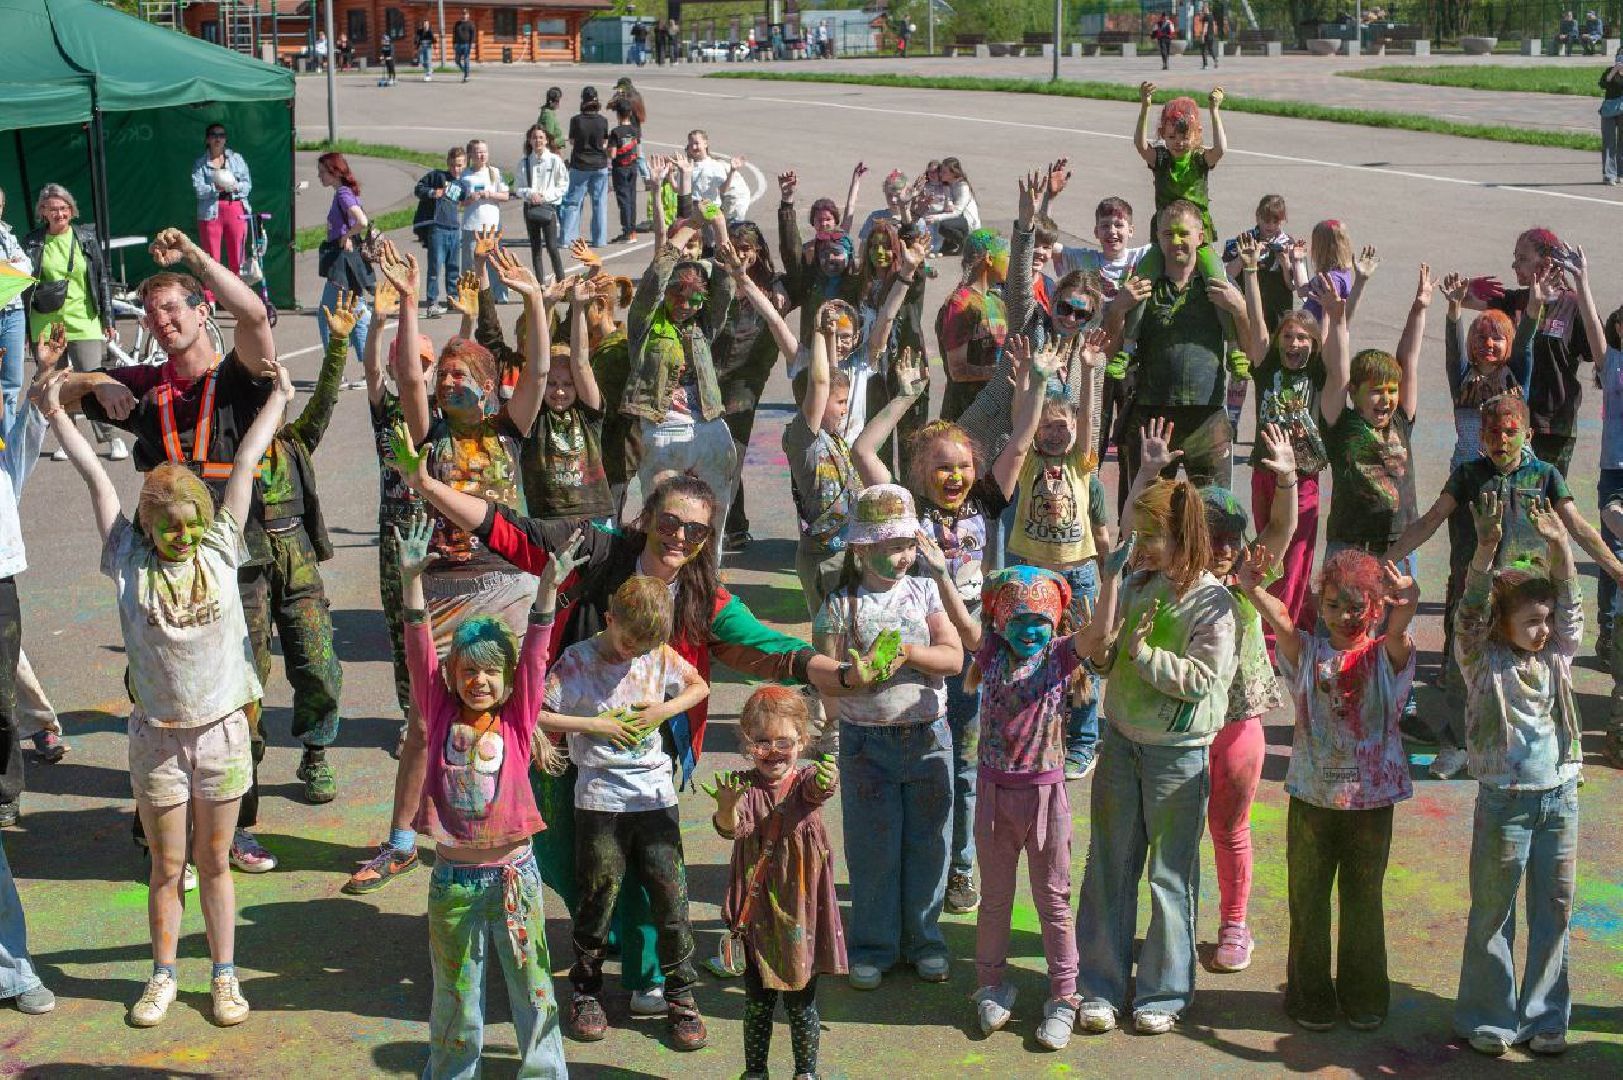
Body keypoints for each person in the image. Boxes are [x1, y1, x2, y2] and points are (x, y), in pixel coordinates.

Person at [43, 337, 294, 1028]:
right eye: (167, 526)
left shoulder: (219, 547)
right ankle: (161, 978)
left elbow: (244, 463)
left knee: (215, 864)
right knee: (165, 865)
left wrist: (277, 397)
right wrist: (56, 410)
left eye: (189, 524)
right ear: (148, 523)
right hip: (156, 737)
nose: (180, 536)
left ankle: (223, 976)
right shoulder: (126, 554)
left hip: (219, 733)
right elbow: (97, 478)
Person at [62, 228, 289, 867]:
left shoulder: (239, 379)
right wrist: (91, 383)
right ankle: (159, 829)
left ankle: (233, 825)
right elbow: (50, 396)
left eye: (172, 309)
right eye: (151, 313)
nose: (161, 323)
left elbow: (253, 314)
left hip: (230, 561)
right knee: (154, 694)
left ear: (200, 311)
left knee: (240, 696)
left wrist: (194, 257)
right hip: (158, 568)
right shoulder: (143, 387)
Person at [853, 342, 1046, 920]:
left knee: (961, 761)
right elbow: (864, 449)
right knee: (908, 753)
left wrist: (1035, 382)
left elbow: (1020, 441)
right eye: (943, 465)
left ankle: (958, 867)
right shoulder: (905, 506)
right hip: (919, 640)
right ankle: (913, 862)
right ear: (919, 472)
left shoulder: (986, 501)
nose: (956, 474)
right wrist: (907, 396)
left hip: (974, 641)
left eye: (962, 464)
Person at [398, 508, 578, 1076]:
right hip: (452, 881)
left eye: (491, 672)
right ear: (454, 679)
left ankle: (545, 1072)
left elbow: (534, 654)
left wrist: (547, 588)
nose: (480, 681)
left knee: (533, 990)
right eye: (468, 672)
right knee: (454, 996)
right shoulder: (439, 707)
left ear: (505, 679)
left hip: (514, 880)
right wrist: (411, 584)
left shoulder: (519, 719)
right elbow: (421, 654)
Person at [1073, 470, 1237, 1038]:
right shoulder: (1135, 584)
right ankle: (1099, 986)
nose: (1137, 546)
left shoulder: (1213, 603)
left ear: (1183, 538)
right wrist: (1103, 626)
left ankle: (1163, 992)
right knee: (1109, 867)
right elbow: (1102, 657)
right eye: (1134, 534)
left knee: (1171, 878)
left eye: (1149, 536)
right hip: (1121, 743)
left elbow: (1201, 679)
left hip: (1178, 758)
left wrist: (1141, 656)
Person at [1244, 543, 1416, 1033]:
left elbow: (1401, 629)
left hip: (1371, 804)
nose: (1344, 616)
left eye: (1356, 606)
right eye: (1334, 605)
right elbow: (1280, 619)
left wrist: (1408, 598)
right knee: (1309, 901)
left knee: (1364, 902)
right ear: (1320, 606)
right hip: (1313, 801)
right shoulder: (1310, 653)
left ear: (1376, 608)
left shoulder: (1388, 655)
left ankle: (1365, 999)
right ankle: (1309, 997)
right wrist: (1253, 585)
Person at [965, 559, 1125, 1051]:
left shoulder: (1059, 657)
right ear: (1000, 622)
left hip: (1044, 796)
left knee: (1053, 900)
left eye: (1039, 620)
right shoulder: (991, 651)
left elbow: (1098, 634)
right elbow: (963, 623)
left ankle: (1064, 996)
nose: (1029, 629)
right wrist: (935, 570)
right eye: (1018, 620)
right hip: (993, 795)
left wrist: (1110, 578)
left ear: (1054, 622)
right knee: (994, 900)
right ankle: (990, 985)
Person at [548, 575, 712, 1050]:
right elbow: (537, 712)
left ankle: (681, 994)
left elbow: (697, 686)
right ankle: (585, 990)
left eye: (644, 645)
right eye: (626, 641)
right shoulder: (578, 661)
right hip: (600, 797)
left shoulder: (655, 655)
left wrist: (662, 712)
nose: (631, 653)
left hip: (655, 796)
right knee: (598, 894)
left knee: (671, 894)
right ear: (610, 619)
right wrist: (594, 724)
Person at [812, 484, 964, 990]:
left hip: (926, 737)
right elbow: (825, 674)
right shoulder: (840, 605)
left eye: (907, 545)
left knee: (929, 844)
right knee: (874, 849)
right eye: (890, 546)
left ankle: (924, 940)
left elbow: (954, 657)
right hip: (865, 741)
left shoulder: (924, 592)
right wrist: (833, 721)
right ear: (860, 548)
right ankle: (874, 945)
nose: (902, 557)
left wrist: (908, 655)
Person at [1451, 494, 1580, 1058]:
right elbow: (1469, 614)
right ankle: (1489, 1016)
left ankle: (1545, 1017)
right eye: (1532, 621)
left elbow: (1573, 608)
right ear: (1502, 626)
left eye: (1547, 619)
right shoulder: (1483, 660)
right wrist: (1482, 552)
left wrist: (1562, 551)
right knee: (1493, 912)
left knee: (1553, 911)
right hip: (1506, 801)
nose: (1545, 629)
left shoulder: (1556, 657)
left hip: (1560, 798)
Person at [1198, 430, 1299, 977]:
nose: (1218, 550)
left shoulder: (1246, 579)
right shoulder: (1175, 579)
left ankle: (1235, 923)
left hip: (1238, 723)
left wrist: (1285, 478)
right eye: (1206, 538)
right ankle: (1175, 922)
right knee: (1175, 832)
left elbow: (1283, 528)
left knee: (1230, 828)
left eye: (1227, 540)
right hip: (1183, 727)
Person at [706, 686, 846, 1078]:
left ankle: (806, 1072)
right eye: (762, 742)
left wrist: (828, 772)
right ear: (747, 744)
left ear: (802, 742)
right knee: (757, 1003)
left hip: (802, 907)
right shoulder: (743, 786)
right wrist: (725, 807)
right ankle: (755, 1072)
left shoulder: (803, 781)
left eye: (784, 741)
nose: (773, 751)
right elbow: (733, 829)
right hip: (758, 911)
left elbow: (819, 791)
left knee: (802, 1004)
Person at [622, 216, 739, 529]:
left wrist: (720, 227)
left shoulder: (702, 326)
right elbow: (654, 278)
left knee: (714, 514)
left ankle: (708, 574)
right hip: (662, 428)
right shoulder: (646, 323)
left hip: (707, 424)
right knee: (663, 515)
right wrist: (696, 223)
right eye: (678, 296)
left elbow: (726, 286)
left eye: (695, 299)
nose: (686, 305)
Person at [23, 183, 127, 463]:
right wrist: (22, 327)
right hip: (45, 322)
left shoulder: (85, 239)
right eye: (53, 208)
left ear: (71, 210)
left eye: (64, 208)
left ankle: (111, 436)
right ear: (42, 211)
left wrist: (108, 317)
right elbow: (22, 286)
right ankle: (69, 438)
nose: (59, 213)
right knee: (55, 383)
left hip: (85, 319)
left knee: (92, 378)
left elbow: (102, 278)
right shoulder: (32, 242)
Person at [314, 152, 373, 366]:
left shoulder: (342, 194)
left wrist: (346, 236)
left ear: (334, 172)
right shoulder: (343, 192)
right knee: (355, 314)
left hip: (343, 262)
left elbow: (362, 221)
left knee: (327, 315)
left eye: (322, 172)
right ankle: (368, 367)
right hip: (348, 261)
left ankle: (336, 367)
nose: (319, 176)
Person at [192, 124, 253, 290]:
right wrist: (215, 188)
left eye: (221, 135)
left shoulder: (236, 159)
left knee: (238, 256)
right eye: (213, 135)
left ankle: (239, 296)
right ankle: (210, 298)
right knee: (211, 259)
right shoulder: (200, 164)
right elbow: (199, 190)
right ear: (207, 140)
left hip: (234, 207)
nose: (218, 139)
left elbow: (247, 185)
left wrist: (235, 186)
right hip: (211, 212)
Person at [411, 145, 467, 318]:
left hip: (454, 228)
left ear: (464, 164)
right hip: (438, 228)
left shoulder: (462, 184)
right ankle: (432, 302)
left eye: (459, 165)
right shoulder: (437, 176)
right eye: (452, 165)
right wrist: (433, 192)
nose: (455, 169)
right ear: (448, 163)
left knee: (453, 267)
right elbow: (418, 189)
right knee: (435, 266)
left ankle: (453, 299)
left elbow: (463, 200)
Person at [458, 139, 509, 306]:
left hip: (492, 225)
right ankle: (469, 296)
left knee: (495, 261)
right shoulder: (464, 175)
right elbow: (458, 201)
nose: (482, 155)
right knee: (470, 263)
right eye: (478, 152)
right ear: (471, 155)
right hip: (472, 225)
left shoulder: (494, 172)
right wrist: (469, 199)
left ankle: (499, 294)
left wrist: (490, 194)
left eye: (484, 152)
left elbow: (505, 195)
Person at [515, 125, 568, 285]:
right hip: (530, 207)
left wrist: (545, 196)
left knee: (552, 247)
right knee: (535, 247)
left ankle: (562, 283)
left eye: (540, 137)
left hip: (548, 207)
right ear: (529, 141)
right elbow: (518, 187)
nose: (537, 140)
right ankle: (539, 284)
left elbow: (563, 184)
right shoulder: (524, 163)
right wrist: (530, 194)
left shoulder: (554, 160)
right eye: (534, 137)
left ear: (546, 140)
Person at [562, 87, 612, 249]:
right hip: (599, 164)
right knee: (599, 203)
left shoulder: (576, 120)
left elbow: (572, 142)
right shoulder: (603, 121)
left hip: (580, 164)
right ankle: (600, 239)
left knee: (573, 203)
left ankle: (567, 238)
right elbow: (604, 143)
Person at [0, 187, 33, 427]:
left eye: (0, 206)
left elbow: (26, 268)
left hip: (13, 313)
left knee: (12, 384)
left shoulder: (6, 233)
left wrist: (7, 268)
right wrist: (7, 266)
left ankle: (7, 444)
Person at [685, 130, 752, 223]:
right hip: (696, 208)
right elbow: (679, 189)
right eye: (690, 144)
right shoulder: (688, 166)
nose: (693, 147)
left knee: (724, 229)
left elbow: (723, 190)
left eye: (696, 143)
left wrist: (732, 171)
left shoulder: (715, 165)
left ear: (705, 144)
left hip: (714, 207)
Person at [921, 157, 979, 256]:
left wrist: (936, 217)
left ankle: (966, 243)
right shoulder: (949, 184)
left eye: (944, 172)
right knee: (940, 222)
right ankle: (949, 243)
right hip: (956, 218)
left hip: (968, 221)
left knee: (944, 225)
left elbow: (958, 212)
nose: (940, 174)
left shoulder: (962, 186)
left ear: (953, 173)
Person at [609, 102, 642, 245]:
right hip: (633, 166)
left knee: (623, 200)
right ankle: (632, 229)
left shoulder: (616, 132)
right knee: (632, 198)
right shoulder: (635, 130)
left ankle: (627, 231)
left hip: (621, 168)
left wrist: (605, 148)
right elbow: (638, 149)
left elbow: (612, 154)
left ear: (618, 115)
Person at [1601, 50, 1623, 185]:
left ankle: (1620, 173)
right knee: (1609, 142)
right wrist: (1614, 71)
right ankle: (1609, 174)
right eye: (1619, 56)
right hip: (1609, 111)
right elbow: (1603, 84)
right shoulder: (1609, 71)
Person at [452, 10, 475, 80]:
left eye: (465, 14)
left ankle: (466, 76)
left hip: (466, 45)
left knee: (466, 60)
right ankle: (465, 71)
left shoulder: (471, 24)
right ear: (461, 15)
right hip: (458, 44)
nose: (464, 16)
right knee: (457, 61)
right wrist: (454, 43)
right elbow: (454, 34)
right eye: (463, 14)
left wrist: (472, 43)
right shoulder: (457, 24)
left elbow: (473, 35)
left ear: (468, 15)